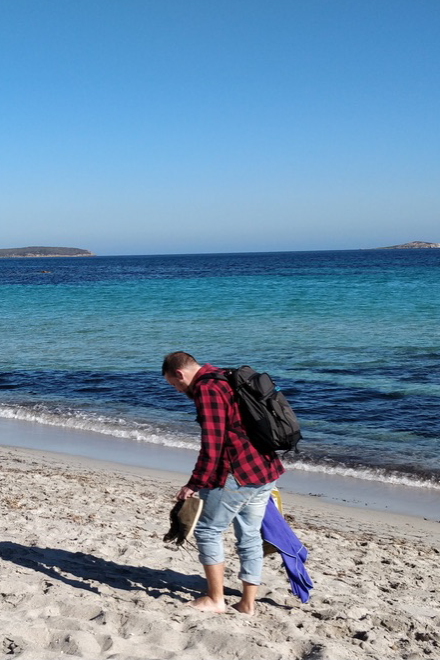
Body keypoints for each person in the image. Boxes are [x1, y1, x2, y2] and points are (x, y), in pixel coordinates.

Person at [162, 351, 285, 615]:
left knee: (207, 531)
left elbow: (213, 445)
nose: (176, 390)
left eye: (174, 384)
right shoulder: (227, 376)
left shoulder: (207, 389)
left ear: (180, 374)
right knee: (249, 535)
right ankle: (247, 603)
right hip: (265, 469)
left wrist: (193, 483)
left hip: (236, 473)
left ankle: (215, 599)